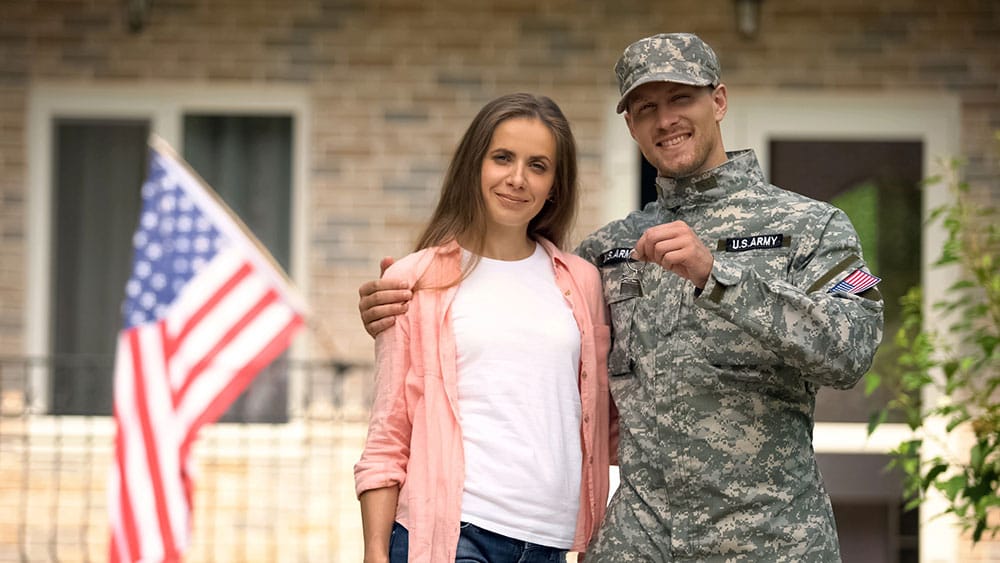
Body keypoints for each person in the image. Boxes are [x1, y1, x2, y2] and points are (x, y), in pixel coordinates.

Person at [359, 33, 884, 562]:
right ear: (630, 125)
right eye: (645, 107)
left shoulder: (816, 227)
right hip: (637, 542)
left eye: (682, 98)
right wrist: (401, 310)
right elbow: (531, 352)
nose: (665, 119)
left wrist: (717, 276)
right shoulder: (604, 253)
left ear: (718, 100)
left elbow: (852, 350)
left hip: (771, 541)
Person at [353, 92, 617, 563]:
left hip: (551, 541)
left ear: (555, 184)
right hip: (454, 536)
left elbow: (601, 414)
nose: (517, 179)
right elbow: (388, 436)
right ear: (475, 165)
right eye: (502, 158)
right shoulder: (413, 281)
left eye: (538, 166)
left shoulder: (582, 282)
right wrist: (375, 552)